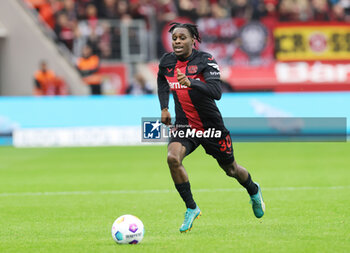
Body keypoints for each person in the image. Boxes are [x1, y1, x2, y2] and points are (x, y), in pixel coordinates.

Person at [157, 22, 265, 233]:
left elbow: (216, 91)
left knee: (231, 169)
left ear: (193, 40)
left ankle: (253, 190)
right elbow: (162, 80)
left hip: (210, 126)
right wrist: (164, 108)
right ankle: (191, 208)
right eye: (175, 38)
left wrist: (191, 82)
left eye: (182, 38)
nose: (177, 41)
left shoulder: (205, 60)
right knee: (172, 158)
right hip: (184, 125)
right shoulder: (167, 62)